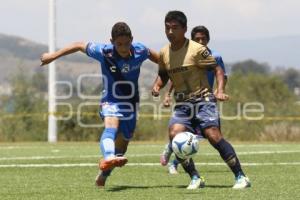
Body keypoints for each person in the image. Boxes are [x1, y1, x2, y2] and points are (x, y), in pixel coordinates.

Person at [40, 22, 159, 188]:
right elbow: (78, 45)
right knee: (111, 127)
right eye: (119, 44)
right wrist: (53, 56)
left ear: (132, 39)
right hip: (110, 99)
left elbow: (163, 62)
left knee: (122, 148)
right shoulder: (104, 52)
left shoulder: (141, 50)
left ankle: (104, 173)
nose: (124, 48)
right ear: (112, 41)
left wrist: (158, 83)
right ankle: (108, 156)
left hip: (131, 103)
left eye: (127, 43)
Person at [152, 11, 250, 189]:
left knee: (213, 135)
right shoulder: (164, 53)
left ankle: (241, 176)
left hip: (203, 100)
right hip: (182, 104)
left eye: (175, 28)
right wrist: (157, 86)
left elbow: (218, 69)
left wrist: (219, 90)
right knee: (174, 135)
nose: (170, 32)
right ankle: (195, 177)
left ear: (184, 29)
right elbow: (163, 74)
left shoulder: (197, 50)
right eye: (167, 28)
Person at [163, 25, 227, 175]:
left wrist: (219, 91)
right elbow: (174, 77)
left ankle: (172, 148)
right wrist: (167, 94)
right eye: (197, 39)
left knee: (213, 135)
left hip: (206, 101)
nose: (200, 41)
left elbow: (222, 75)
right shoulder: (187, 56)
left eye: (203, 38)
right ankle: (173, 158)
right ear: (192, 40)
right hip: (188, 101)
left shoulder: (215, 57)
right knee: (189, 134)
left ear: (208, 39)